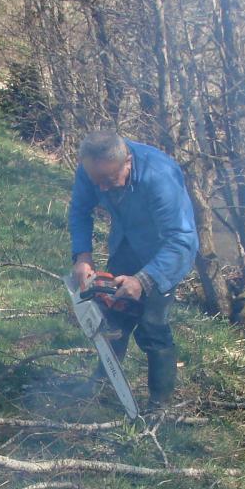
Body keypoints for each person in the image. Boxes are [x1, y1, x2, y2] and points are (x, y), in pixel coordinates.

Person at [68, 130, 198, 407]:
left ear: (127, 162)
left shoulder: (159, 177)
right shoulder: (91, 167)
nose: (101, 188)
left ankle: (160, 403)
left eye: (109, 180)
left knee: (153, 326)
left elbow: (182, 240)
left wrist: (144, 280)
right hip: (125, 243)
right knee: (113, 318)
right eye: (96, 181)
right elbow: (80, 211)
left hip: (164, 254)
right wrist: (82, 256)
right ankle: (102, 385)